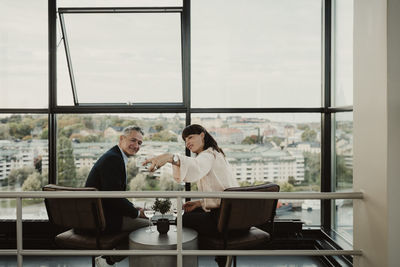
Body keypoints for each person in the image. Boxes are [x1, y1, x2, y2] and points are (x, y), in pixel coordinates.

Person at [143, 123, 238, 237]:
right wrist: (199, 203)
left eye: (190, 137)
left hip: (224, 218)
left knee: (181, 219)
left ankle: (190, 253)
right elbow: (221, 191)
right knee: (189, 213)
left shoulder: (208, 155)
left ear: (202, 135)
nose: (187, 143)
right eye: (185, 140)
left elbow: (195, 166)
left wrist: (170, 157)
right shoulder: (216, 153)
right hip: (233, 214)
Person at [85, 126, 149, 266]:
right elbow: (113, 197)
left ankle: (110, 256)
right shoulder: (113, 159)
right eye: (133, 140)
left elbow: (114, 194)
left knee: (142, 222)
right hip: (102, 219)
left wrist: (132, 208)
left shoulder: (115, 156)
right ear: (121, 139)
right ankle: (109, 258)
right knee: (149, 226)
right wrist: (137, 213)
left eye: (139, 143)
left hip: (104, 213)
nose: (136, 146)